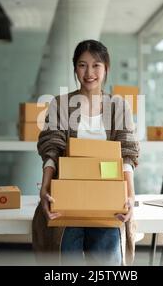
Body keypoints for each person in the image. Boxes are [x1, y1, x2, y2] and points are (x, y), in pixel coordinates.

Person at [32, 39, 140, 266]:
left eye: (96, 65)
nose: (89, 72)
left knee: (107, 263)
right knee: (65, 262)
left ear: (106, 69)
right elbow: (51, 149)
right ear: (75, 69)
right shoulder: (60, 104)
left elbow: (127, 155)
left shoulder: (119, 106)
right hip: (67, 199)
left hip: (108, 202)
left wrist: (129, 196)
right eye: (82, 65)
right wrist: (45, 188)